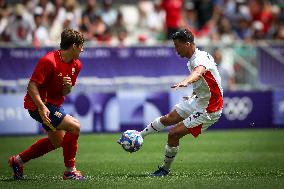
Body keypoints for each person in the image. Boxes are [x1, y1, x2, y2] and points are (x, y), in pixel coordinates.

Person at [139, 29, 223, 176]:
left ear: (188, 44)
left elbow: (198, 72)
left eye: (178, 45)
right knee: (168, 119)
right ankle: (140, 136)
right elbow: (206, 81)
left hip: (210, 108)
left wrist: (185, 81)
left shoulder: (198, 60)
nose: (176, 49)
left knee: (173, 134)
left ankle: (165, 170)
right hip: (198, 101)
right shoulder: (195, 58)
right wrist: (193, 94)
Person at [8, 28, 86, 180]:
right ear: (74, 46)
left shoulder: (76, 65)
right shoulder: (49, 61)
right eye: (81, 46)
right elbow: (31, 86)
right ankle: (70, 171)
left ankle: (17, 161)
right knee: (75, 126)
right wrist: (41, 107)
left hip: (53, 105)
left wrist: (68, 86)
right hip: (38, 105)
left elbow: (65, 93)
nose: (83, 49)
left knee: (57, 142)